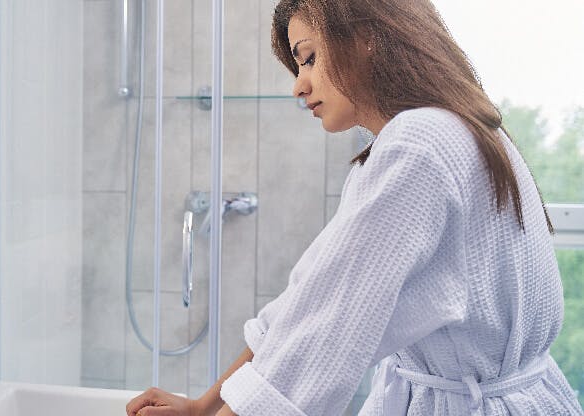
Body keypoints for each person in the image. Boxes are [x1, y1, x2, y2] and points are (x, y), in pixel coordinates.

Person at [126, 0, 584, 415]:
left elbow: (326, 334)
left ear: (367, 38)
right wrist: (205, 406)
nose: (298, 85)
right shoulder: (462, 129)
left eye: (308, 58)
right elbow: (309, 301)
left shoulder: (419, 144)